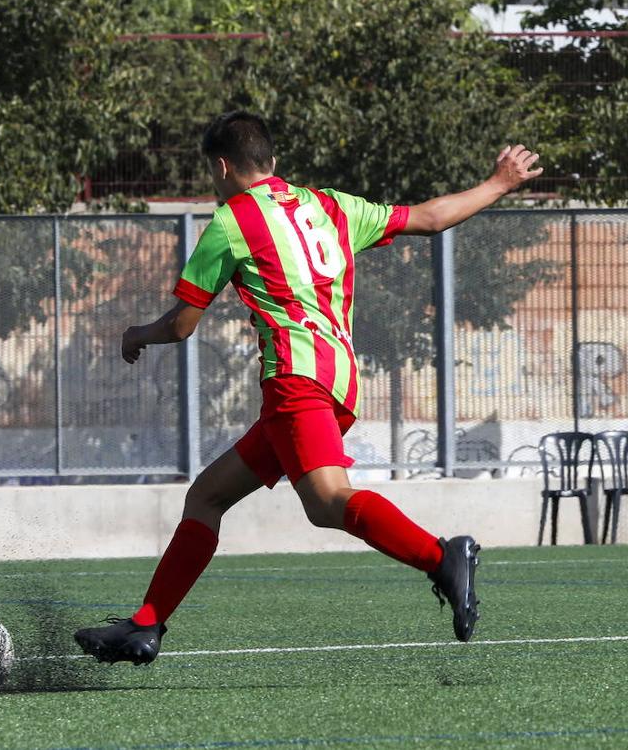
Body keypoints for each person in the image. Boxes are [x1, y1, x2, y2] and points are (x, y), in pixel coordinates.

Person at [75, 110, 543, 665]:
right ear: (272, 162)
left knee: (326, 503)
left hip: (296, 382)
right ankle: (145, 626)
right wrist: (499, 182)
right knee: (207, 496)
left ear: (221, 167)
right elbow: (430, 217)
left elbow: (181, 325)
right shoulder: (331, 206)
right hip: (338, 379)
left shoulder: (231, 222)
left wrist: (137, 333)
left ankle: (442, 556)